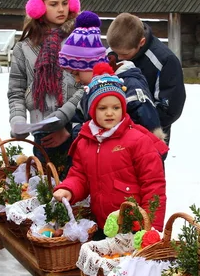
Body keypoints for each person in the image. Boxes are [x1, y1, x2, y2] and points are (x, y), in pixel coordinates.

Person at [52, 65, 168, 236]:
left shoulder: (138, 141)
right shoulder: (86, 141)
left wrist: (150, 228)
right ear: (92, 110)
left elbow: (153, 187)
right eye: (102, 108)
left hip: (135, 228)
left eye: (116, 107)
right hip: (103, 224)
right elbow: (80, 175)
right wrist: (69, 188)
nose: (110, 113)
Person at [8, 0, 83, 172]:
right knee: (46, 189)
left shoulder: (82, 40)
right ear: (38, 7)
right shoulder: (23, 48)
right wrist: (18, 121)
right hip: (42, 134)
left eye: (65, 3)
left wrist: (67, 128)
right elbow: (16, 91)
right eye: (54, 4)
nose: (61, 9)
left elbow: (90, 86)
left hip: (77, 131)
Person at [57, 11, 163, 140]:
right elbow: (81, 123)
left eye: (76, 73)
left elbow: (151, 134)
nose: (77, 80)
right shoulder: (91, 90)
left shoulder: (130, 87)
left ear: (91, 65)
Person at [106, 13, 186, 146]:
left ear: (141, 42)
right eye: (115, 52)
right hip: (113, 132)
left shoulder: (165, 61)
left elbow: (170, 109)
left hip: (148, 138)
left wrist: (135, 125)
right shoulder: (114, 50)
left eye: (124, 54)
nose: (118, 58)